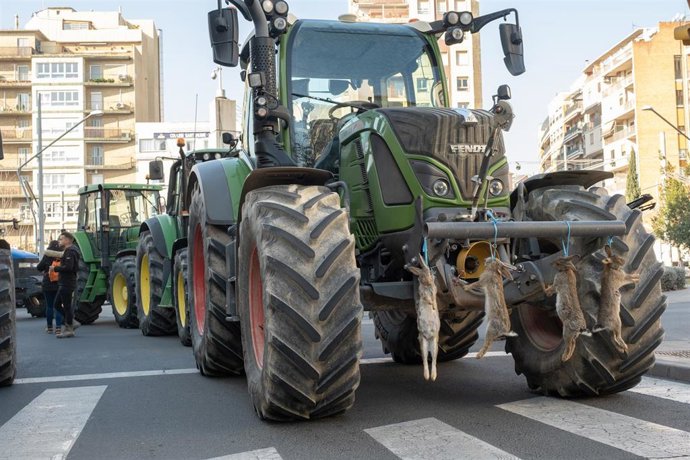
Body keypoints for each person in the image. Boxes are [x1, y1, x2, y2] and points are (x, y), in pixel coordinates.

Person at [50, 231, 80, 339]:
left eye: (61, 239)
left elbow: (69, 267)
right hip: (65, 282)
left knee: (66, 306)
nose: (60, 241)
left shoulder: (70, 251)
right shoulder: (69, 250)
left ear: (67, 240)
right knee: (57, 304)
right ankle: (71, 322)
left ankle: (69, 328)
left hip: (67, 282)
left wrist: (55, 268)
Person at [36, 240, 63, 334]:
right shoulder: (62, 256)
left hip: (48, 284)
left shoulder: (47, 256)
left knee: (50, 306)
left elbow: (39, 267)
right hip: (59, 284)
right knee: (58, 306)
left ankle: (50, 327)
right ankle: (59, 327)